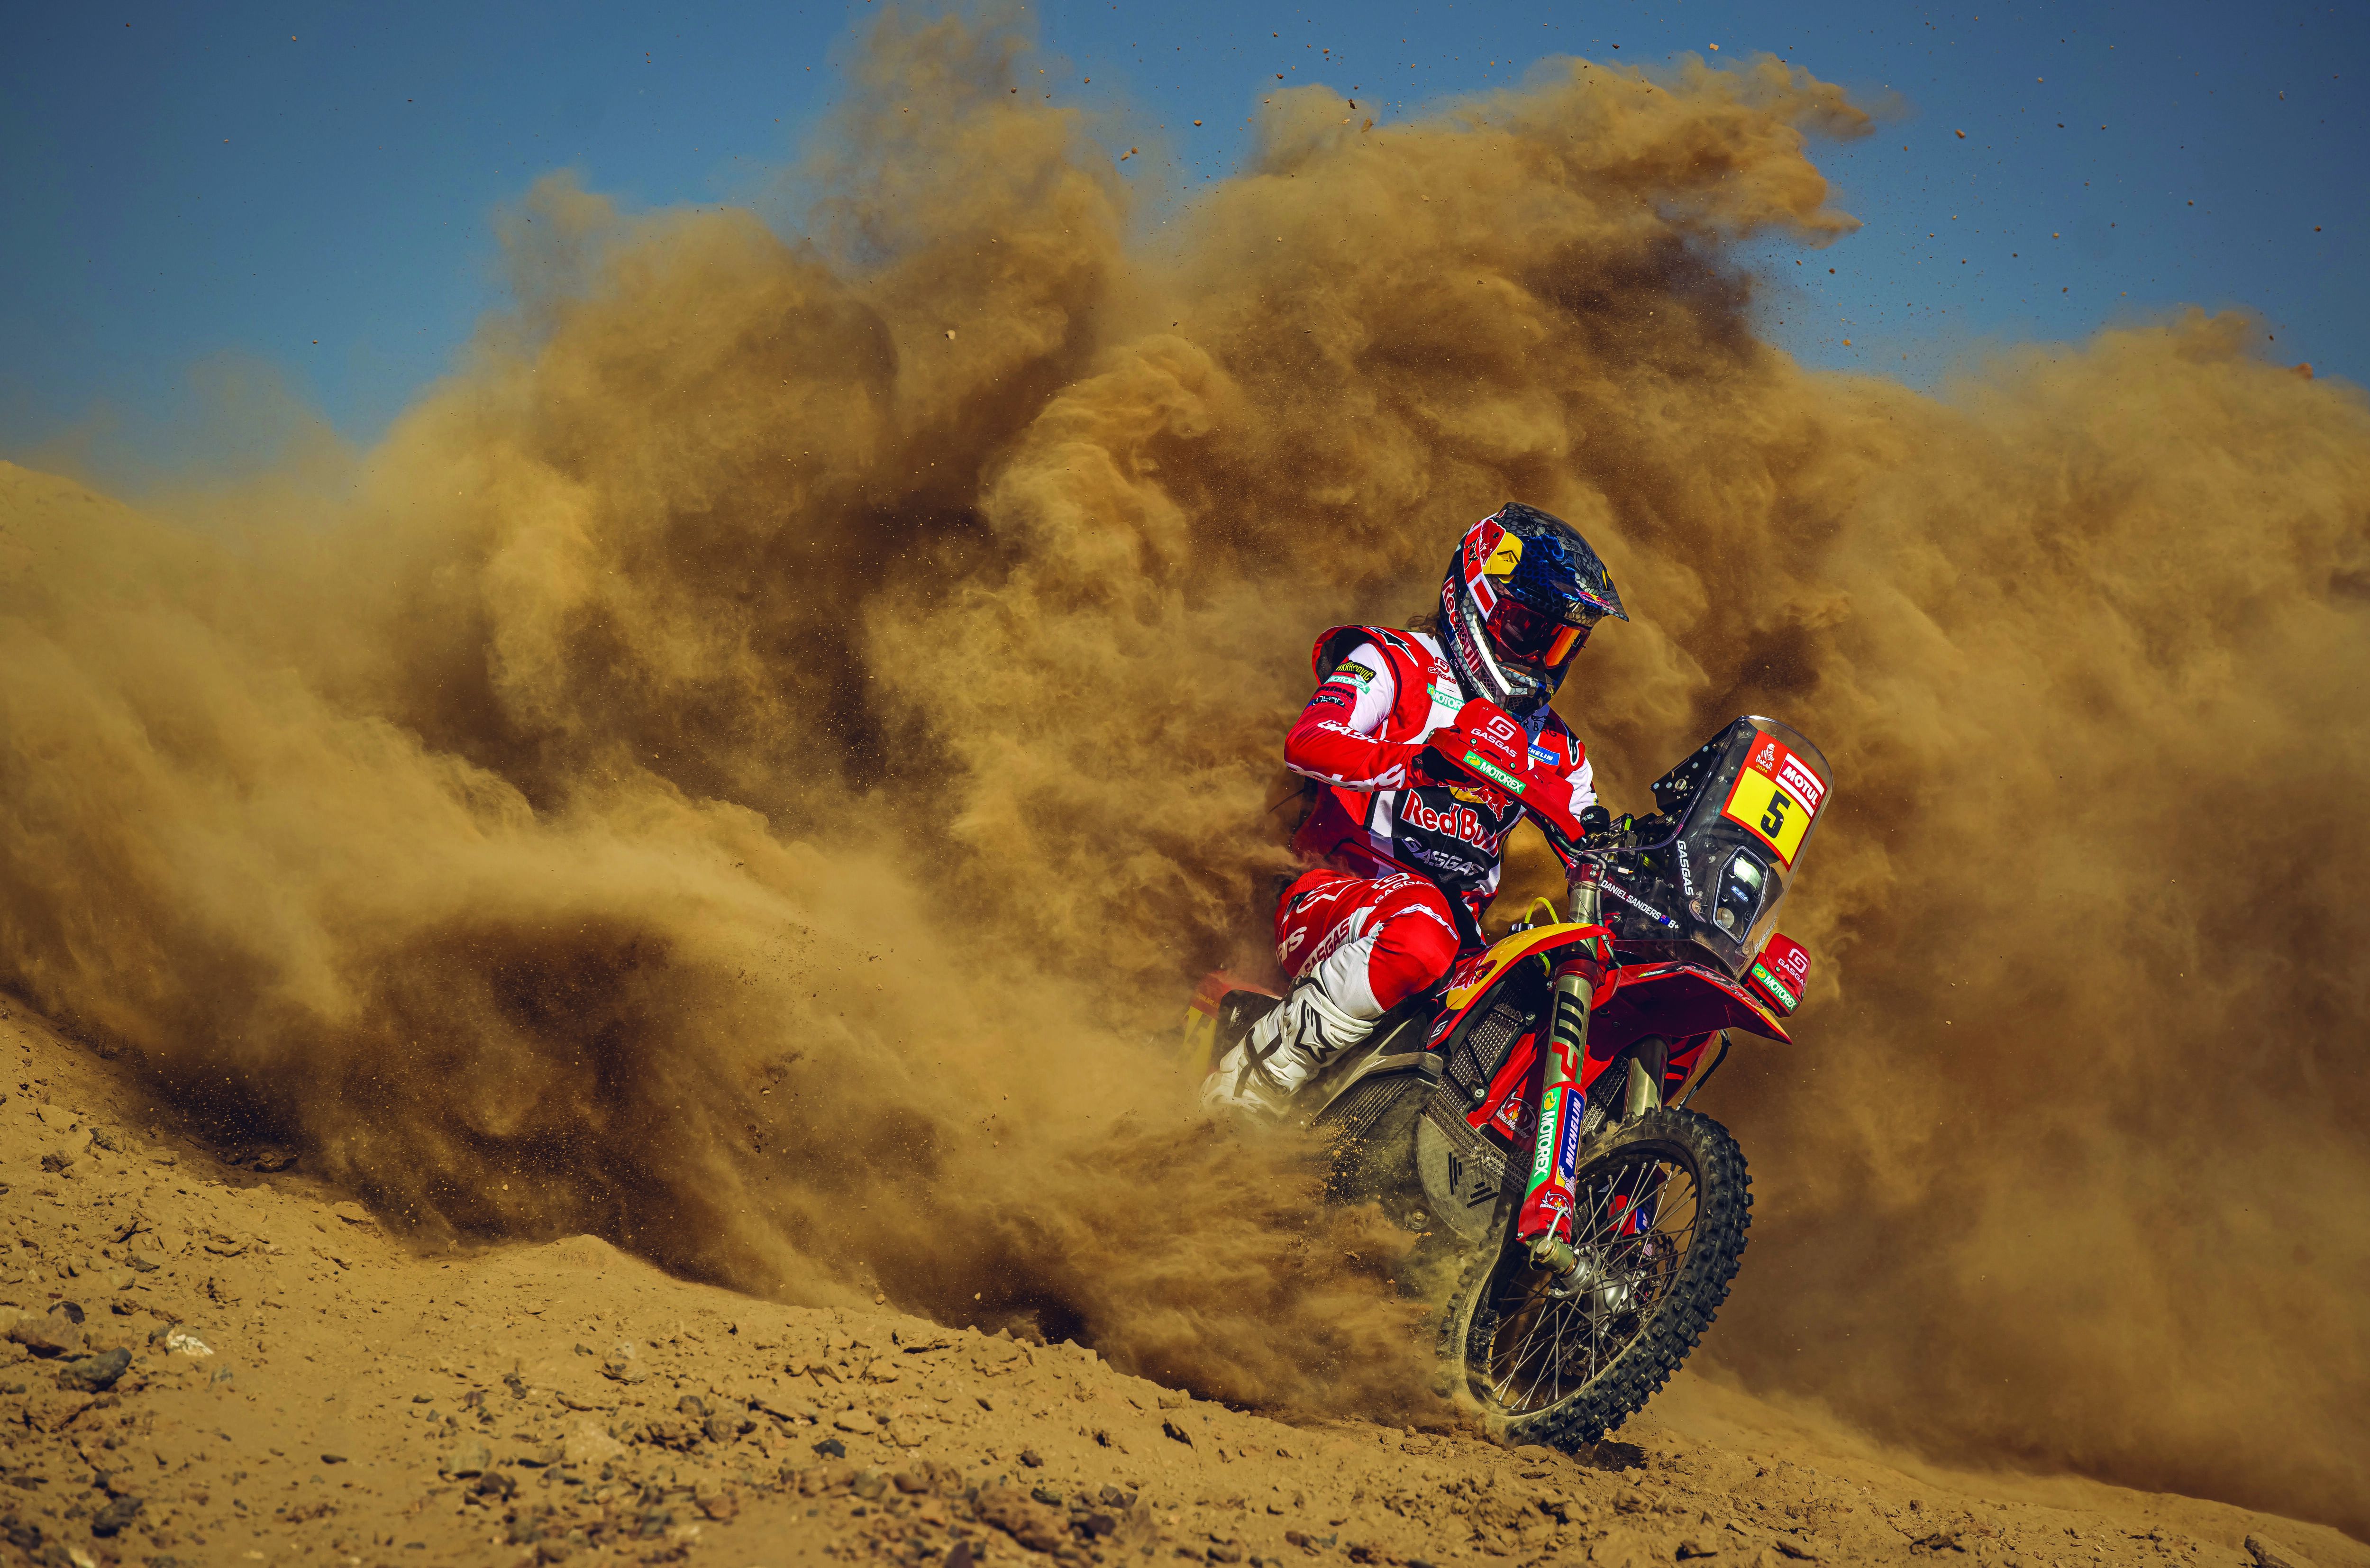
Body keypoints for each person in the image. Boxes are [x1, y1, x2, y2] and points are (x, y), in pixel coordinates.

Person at [1202, 501, 1628, 1117]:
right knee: (1422, 928)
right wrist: (1417, 763)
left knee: (1561, 985)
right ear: (1477, 600)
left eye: (1561, 642)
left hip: (1459, 943)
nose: (1541, 655)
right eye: (1530, 629)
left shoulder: (1558, 747)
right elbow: (1309, 741)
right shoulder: (1395, 662)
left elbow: (1594, 840)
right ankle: (1248, 1084)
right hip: (1331, 898)